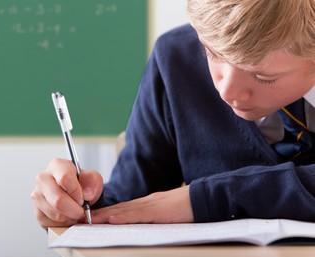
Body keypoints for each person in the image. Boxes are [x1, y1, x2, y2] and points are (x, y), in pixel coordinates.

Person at [31, 0, 315, 228]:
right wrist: (78, 203)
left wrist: (202, 200)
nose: (227, 91)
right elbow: (137, 203)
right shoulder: (176, 59)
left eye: (262, 76)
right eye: (211, 53)